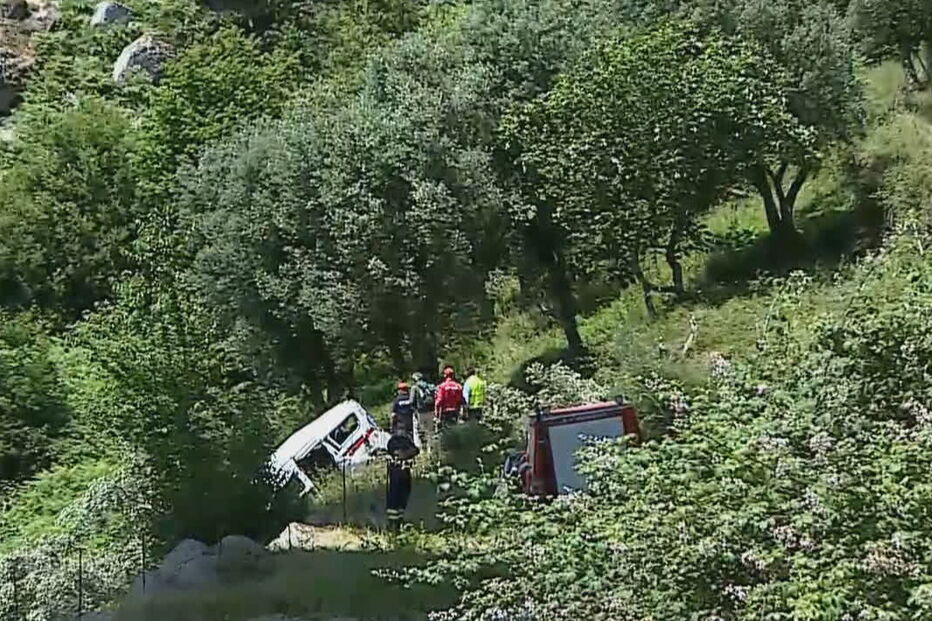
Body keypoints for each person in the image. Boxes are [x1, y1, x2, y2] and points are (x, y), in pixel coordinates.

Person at [385, 432, 419, 531]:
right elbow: (393, 452)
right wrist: (403, 455)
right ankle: (393, 524)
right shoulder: (392, 441)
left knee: (403, 499)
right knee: (394, 500)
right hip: (395, 474)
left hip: (405, 475)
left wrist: (405, 454)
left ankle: (399, 522)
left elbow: (416, 450)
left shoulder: (406, 440)